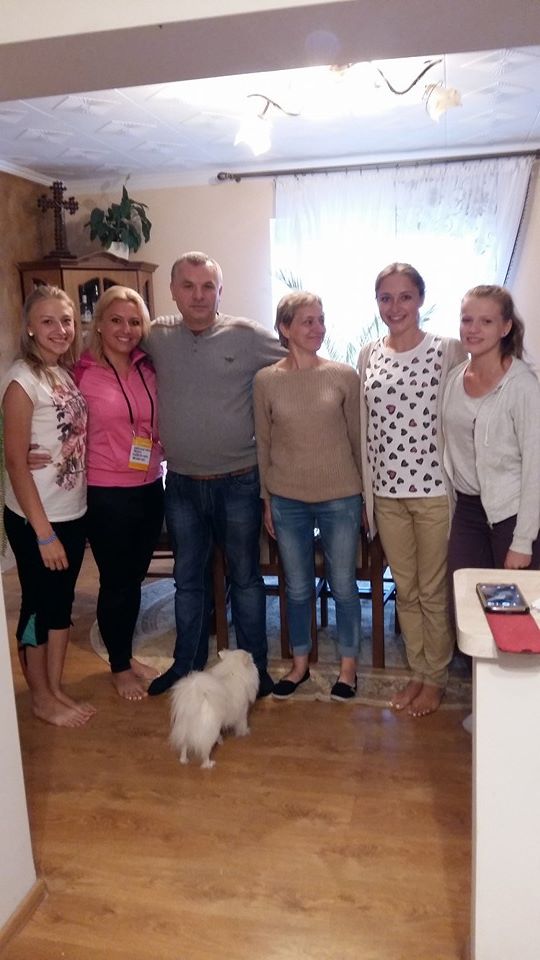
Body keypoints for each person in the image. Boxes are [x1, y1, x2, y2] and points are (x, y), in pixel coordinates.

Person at [144, 252, 285, 697]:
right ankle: (185, 664)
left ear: (220, 292)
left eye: (208, 286)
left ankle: (254, 670)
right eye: (188, 286)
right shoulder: (156, 336)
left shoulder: (247, 336)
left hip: (239, 481)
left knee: (245, 579)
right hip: (181, 484)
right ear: (173, 291)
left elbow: (297, 359)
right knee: (187, 581)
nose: (198, 295)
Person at [358, 263, 467, 717]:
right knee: (405, 591)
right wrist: (367, 497)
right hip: (386, 495)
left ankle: (435, 678)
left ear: (420, 299)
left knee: (432, 590)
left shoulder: (448, 350)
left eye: (405, 296)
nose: (395, 306)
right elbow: (366, 428)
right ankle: (418, 672)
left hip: (433, 493)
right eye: (386, 297)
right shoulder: (369, 354)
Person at [253, 292, 363, 700]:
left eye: (321, 320)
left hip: (341, 496)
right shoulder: (266, 380)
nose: (318, 328)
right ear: (285, 328)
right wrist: (266, 498)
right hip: (287, 498)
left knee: (343, 585)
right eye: (307, 321)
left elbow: (357, 439)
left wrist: (365, 498)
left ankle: (348, 669)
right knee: (297, 588)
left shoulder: (343, 375)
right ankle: (299, 665)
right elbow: (264, 444)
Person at [2, 285, 94, 727]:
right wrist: (43, 534)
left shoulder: (62, 373)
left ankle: (55, 689)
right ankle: (39, 697)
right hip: (37, 519)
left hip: (72, 511)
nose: (60, 329)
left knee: (61, 606)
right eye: (48, 321)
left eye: (66, 320)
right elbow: (15, 462)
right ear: (29, 328)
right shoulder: (22, 380)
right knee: (39, 607)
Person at [72, 286, 165, 700]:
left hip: (150, 486)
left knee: (134, 576)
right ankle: (120, 666)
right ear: (99, 324)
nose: (126, 329)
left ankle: (124, 653)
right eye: (116, 320)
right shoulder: (82, 372)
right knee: (116, 581)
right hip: (106, 491)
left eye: (134, 321)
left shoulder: (149, 368)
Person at [443, 284, 540, 581]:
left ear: (505, 327)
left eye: (486, 321)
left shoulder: (522, 385)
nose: (473, 329)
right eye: (466, 320)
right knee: (463, 599)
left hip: (512, 514)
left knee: (515, 605)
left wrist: (523, 541)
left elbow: (535, 467)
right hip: (467, 511)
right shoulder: (453, 379)